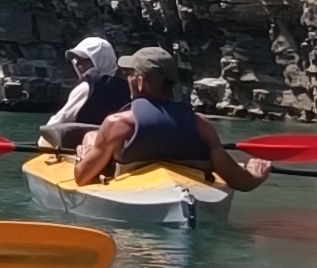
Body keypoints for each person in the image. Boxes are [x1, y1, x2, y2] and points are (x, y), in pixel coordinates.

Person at [73, 48, 272, 192]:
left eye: (130, 74)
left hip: (135, 194)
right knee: (92, 134)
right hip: (189, 191)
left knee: (91, 137)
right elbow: (241, 182)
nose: (127, 79)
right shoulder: (201, 125)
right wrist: (256, 175)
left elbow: (82, 177)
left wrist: (84, 156)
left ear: (140, 81)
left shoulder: (118, 123)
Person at [40, 36, 131, 156]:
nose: (77, 64)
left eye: (84, 60)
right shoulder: (128, 86)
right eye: (75, 59)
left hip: (83, 152)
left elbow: (60, 119)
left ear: (99, 61)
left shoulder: (87, 86)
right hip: (116, 150)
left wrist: (42, 143)